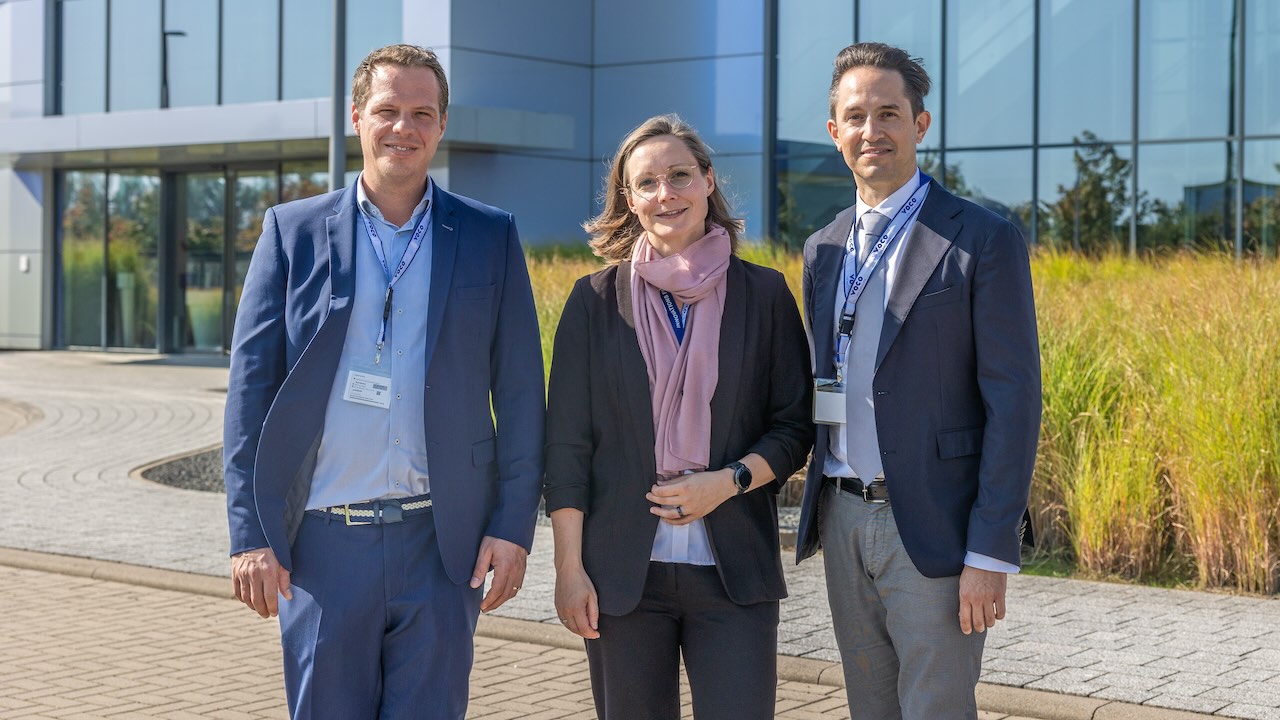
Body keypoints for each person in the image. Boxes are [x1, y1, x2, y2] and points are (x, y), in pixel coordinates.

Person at [222, 44, 545, 719]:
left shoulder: (489, 235)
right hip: (321, 549)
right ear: (355, 117)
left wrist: (513, 526)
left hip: (443, 545)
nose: (404, 127)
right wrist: (251, 533)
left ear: (442, 125)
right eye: (387, 110)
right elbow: (251, 391)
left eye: (422, 113)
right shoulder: (292, 233)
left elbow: (519, 396)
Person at [794, 43, 1041, 719]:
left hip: (934, 525)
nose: (871, 130)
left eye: (889, 113)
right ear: (834, 132)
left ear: (921, 125)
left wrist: (992, 550)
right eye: (856, 116)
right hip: (842, 515)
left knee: (934, 710)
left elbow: (1014, 402)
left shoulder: (983, 238)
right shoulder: (823, 248)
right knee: (869, 709)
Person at [543, 114, 813, 720]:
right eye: (648, 183)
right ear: (630, 199)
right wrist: (568, 571)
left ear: (708, 181)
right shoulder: (592, 303)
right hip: (620, 577)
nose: (666, 193)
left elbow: (795, 427)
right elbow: (566, 450)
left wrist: (727, 482)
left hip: (734, 574)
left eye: (680, 176)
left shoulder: (765, 295)